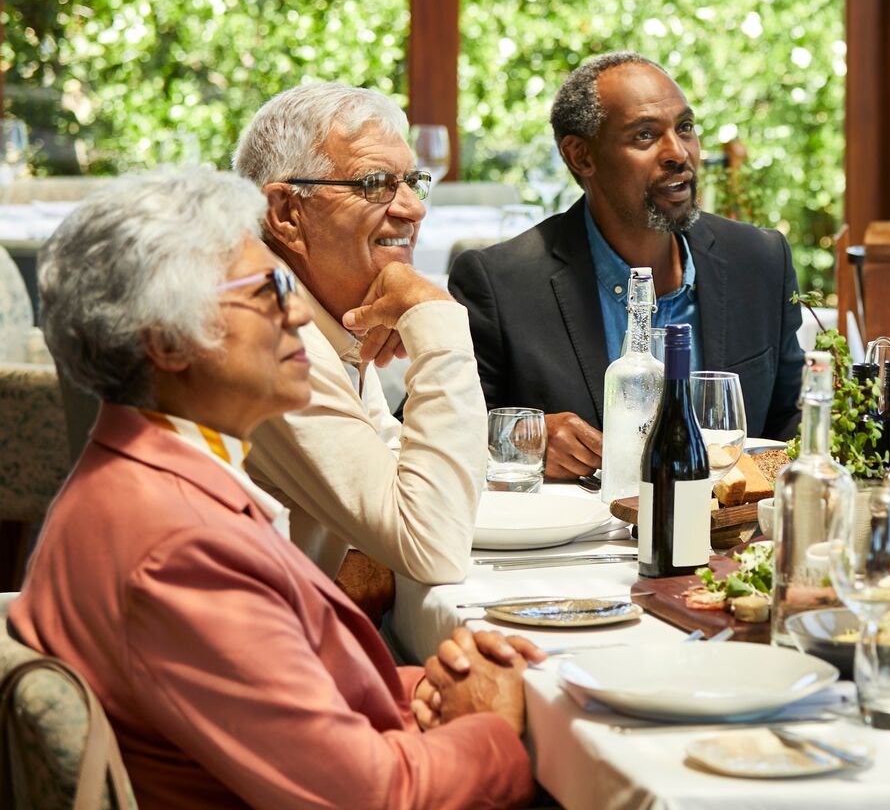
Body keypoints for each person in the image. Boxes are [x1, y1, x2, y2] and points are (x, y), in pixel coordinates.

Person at [11, 169, 537, 808]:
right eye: (267, 290)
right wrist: (495, 733)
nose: (297, 314)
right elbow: (371, 796)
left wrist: (431, 686)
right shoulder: (177, 546)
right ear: (168, 343)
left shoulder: (153, 473)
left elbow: (271, 694)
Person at [450, 52, 804, 477]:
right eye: (645, 136)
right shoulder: (501, 283)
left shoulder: (759, 260)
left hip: (729, 537)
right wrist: (527, 437)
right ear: (581, 156)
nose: (678, 153)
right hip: (577, 538)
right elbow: (425, 432)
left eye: (685, 128)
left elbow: (792, 418)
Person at [232, 83, 485, 606]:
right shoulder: (268, 330)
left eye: (413, 182)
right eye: (376, 183)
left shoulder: (317, 304)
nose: (412, 209)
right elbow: (432, 546)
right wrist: (435, 315)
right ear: (285, 213)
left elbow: (392, 465)